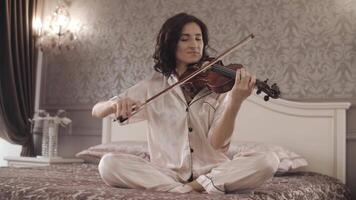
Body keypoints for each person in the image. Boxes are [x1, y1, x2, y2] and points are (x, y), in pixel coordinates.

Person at [92, 12, 279, 194]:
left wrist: (235, 101)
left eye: (198, 39)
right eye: (185, 39)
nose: (194, 45)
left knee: (268, 159)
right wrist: (114, 106)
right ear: (170, 44)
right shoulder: (153, 86)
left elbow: (218, 144)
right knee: (108, 163)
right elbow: (97, 111)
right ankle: (186, 188)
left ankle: (198, 185)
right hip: (165, 173)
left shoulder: (219, 87)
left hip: (212, 171)